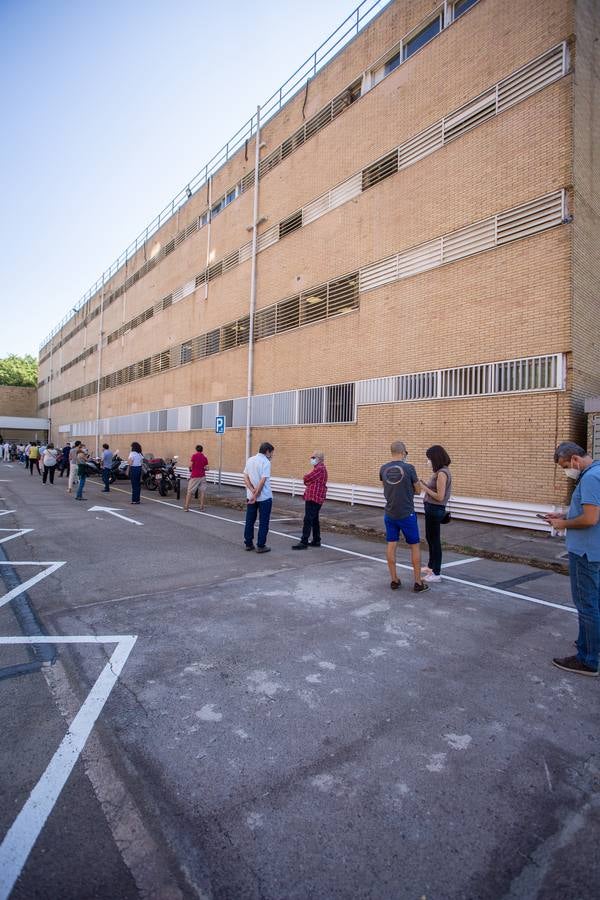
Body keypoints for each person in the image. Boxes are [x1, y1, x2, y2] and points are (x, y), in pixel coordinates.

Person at [546, 442, 600, 676]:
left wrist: (563, 524)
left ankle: (587, 659)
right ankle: (589, 645)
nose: (567, 470)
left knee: (586, 604)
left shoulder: (589, 478)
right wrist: (564, 514)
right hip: (593, 549)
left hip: (586, 551)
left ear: (575, 459)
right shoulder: (596, 472)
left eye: (566, 466)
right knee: (593, 602)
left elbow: (590, 519)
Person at [379, 441, 428, 592]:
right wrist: (408, 490)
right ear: (403, 452)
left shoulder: (383, 468)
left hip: (390, 513)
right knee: (414, 546)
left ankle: (394, 580)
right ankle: (418, 583)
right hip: (407, 513)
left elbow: (386, 488)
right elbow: (418, 491)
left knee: (391, 544)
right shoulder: (409, 468)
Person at [419, 445, 452, 583]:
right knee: (430, 537)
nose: (428, 461)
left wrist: (424, 487)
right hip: (431, 508)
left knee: (435, 541)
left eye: (429, 459)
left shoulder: (442, 473)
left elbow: (440, 496)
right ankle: (431, 566)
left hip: (435, 508)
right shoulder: (439, 472)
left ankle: (436, 573)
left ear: (435, 458)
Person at [292, 451, 328, 549]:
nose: (311, 459)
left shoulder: (320, 469)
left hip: (314, 497)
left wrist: (306, 478)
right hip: (315, 496)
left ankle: (304, 541)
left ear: (319, 459)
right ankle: (316, 540)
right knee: (314, 519)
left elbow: (307, 478)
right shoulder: (319, 468)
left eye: (313, 457)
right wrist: (308, 481)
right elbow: (308, 480)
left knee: (308, 519)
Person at [243, 442, 274, 553]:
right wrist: (256, 494)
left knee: (249, 520)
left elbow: (245, 476)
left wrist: (252, 491)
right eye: (271, 453)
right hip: (264, 497)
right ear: (267, 451)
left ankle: (248, 543)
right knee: (263, 522)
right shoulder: (266, 462)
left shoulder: (250, 460)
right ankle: (261, 545)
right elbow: (263, 480)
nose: (271, 455)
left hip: (250, 496)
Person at [184, 444, 209, 511]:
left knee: (190, 491)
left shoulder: (194, 456)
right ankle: (201, 507)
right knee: (202, 491)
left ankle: (186, 507)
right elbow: (207, 468)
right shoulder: (204, 457)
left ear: (196, 449)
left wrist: (190, 469)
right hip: (203, 476)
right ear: (202, 450)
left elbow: (190, 465)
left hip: (195, 476)